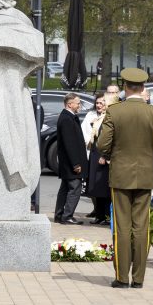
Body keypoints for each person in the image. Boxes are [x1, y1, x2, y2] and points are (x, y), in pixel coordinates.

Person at [97, 68, 153, 288]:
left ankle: (121, 277)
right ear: (143, 88)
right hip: (145, 176)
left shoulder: (115, 111)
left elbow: (102, 144)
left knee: (122, 227)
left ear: (125, 87)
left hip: (120, 175)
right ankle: (138, 278)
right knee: (141, 227)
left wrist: (111, 157)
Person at [54, 93, 87, 225]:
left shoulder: (69, 117)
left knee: (65, 189)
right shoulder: (67, 119)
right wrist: (76, 163)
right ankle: (67, 216)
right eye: (77, 103)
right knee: (74, 189)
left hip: (68, 163)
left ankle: (59, 214)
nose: (79, 105)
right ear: (70, 104)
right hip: (71, 163)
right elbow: (70, 144)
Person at [86, 92, 117, 225]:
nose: (99, 105)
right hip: (95, 153)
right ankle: (99, 215)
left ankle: (106, 216)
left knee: (103, 187)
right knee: (95, 185)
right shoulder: (99, 117)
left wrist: (105, 155)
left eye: (102, 103)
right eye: (98, 103)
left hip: (102, 155)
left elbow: (109, 138)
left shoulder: (108, 117)